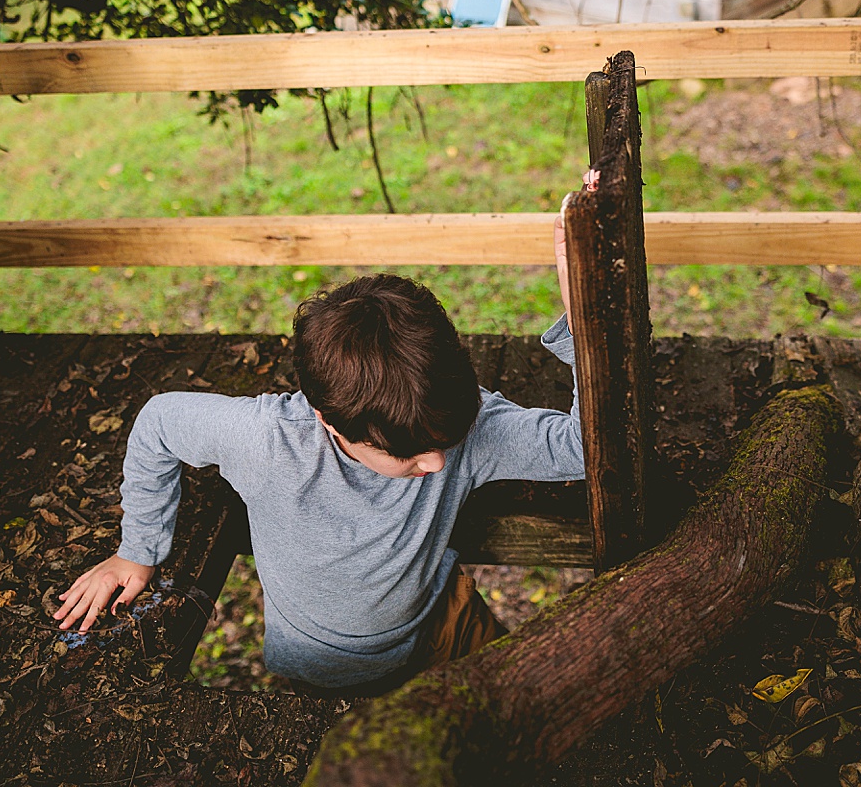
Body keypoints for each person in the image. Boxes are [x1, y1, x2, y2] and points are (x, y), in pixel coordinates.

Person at [53, 210, 584, 693]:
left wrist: (584, 317)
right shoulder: (267, 441)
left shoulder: (465, 427)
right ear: (329, 422)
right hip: (320, 675)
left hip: (444, 624)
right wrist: (137, 550)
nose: (438, 464)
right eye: (409, 456)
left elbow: (584, 449)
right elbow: (160, 422)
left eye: (445, 443)